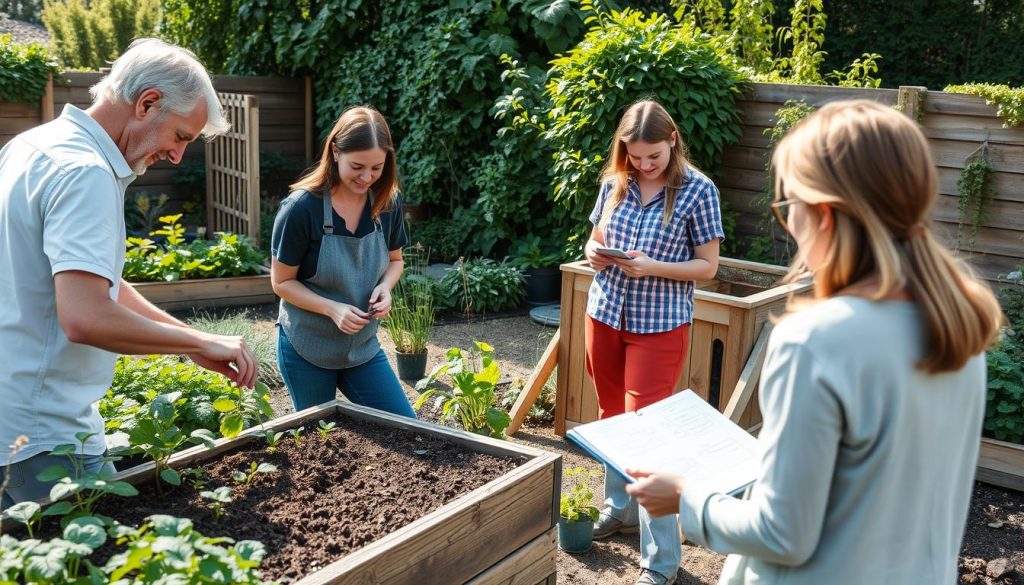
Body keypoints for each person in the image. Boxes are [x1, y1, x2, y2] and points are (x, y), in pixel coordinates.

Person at [625, 100, 1004, 584]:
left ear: (822, 214)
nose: (790, 226)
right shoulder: (958, 330)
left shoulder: (815, 342)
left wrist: (686, 496)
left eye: (789, 208)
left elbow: (782, 534)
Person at [0, 38, 259, 509]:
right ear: (147, 103)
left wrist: (188, 338)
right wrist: (200, 343)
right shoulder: (86, 172)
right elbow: (86, 316)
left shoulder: (31, 146)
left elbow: (98, 283)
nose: (179, 155)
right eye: (180, 136)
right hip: (43, 434)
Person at [582, 99, 725, 585]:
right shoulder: (613, 183)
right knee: (611, 421)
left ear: (672, 142)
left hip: (659, 325)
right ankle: (617, 508)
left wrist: (653, 267)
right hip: (604, 313)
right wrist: (596, 255)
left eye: (652, 157)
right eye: (634, 156)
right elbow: (593, 238)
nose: (643, 165)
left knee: (648, 439)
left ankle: (661, 561)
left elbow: (708, 267)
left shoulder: (698, 191)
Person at [270, 106, 415, 417]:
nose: (367, 178)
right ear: (335, 151)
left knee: (406, 427)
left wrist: (386, 288)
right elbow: (281, 282)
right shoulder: (300, 208)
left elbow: (396, 261)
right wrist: (332, 308)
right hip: (307, 347)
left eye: (377, 168)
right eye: (358, 166)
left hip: (362, 348)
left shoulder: (387, 202)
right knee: (321, 444)